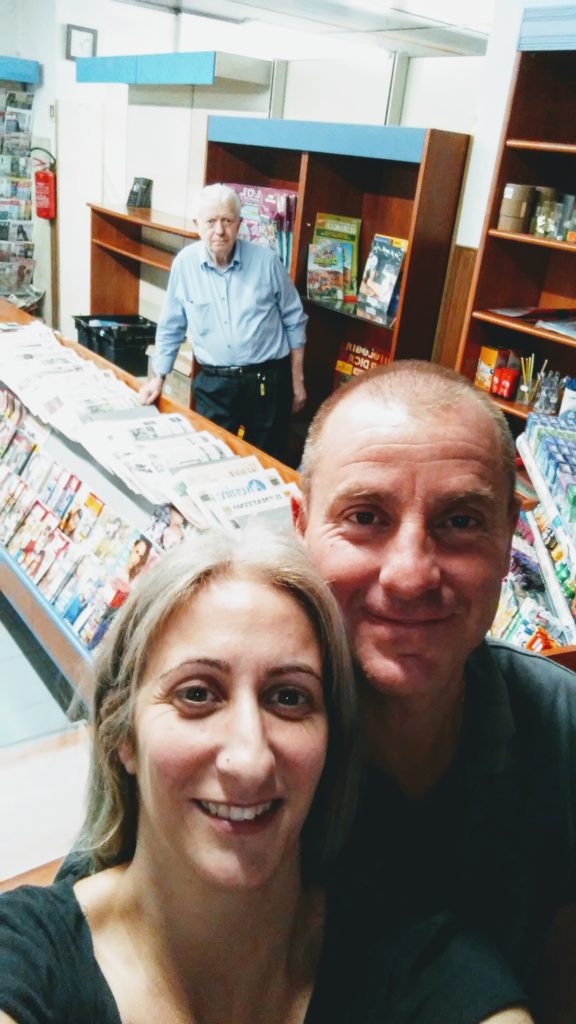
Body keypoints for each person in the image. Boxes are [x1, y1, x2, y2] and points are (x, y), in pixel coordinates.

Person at [0, 528, 531, 1024]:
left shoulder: (420, 969)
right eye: (197, 694)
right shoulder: (26, 958)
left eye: (290, 698)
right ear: (123, 734)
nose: (250, 759)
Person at [292, 360, 576, 1020]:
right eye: (366, 516)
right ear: (299, 527)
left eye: (461, 522)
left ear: (510, 537)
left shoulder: (559, 726)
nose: (411, 575)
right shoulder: (232, 734)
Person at [139, 183, 308, 462]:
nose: (219, 230)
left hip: (266, 383)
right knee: (210, 457)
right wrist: (158, 378)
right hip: (215, 384)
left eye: (227, 221)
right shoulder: (184, 265)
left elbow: (295, 320)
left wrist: (297, 381)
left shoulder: (267, 262)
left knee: (267, 462)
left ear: (239, 224)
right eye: (211, 221)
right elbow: (171, 326)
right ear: (197, 225)